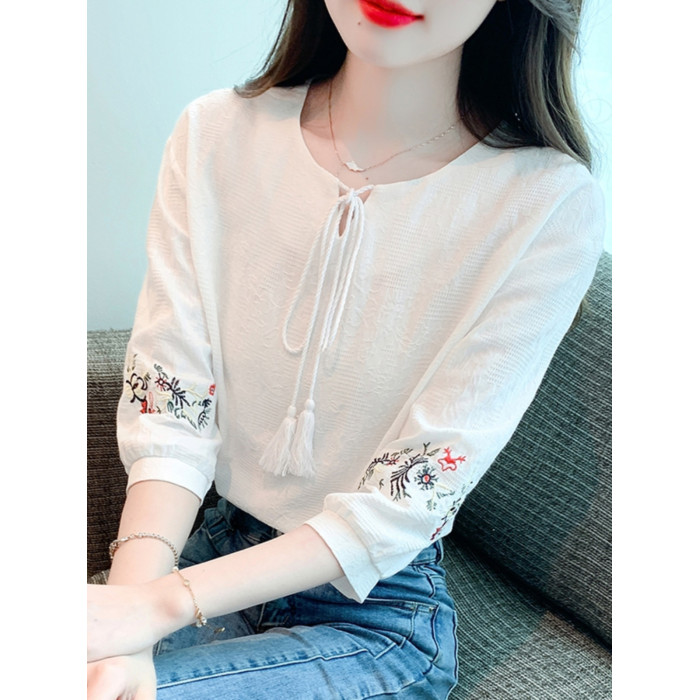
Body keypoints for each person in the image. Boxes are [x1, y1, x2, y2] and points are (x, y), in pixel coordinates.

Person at [87, 0, 605, 698]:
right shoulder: (216, 133)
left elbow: (406, 499)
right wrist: (128, 616)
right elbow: (171, 411)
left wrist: (157, 608)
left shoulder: (546, 203)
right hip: (200, 550)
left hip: (370, 618)